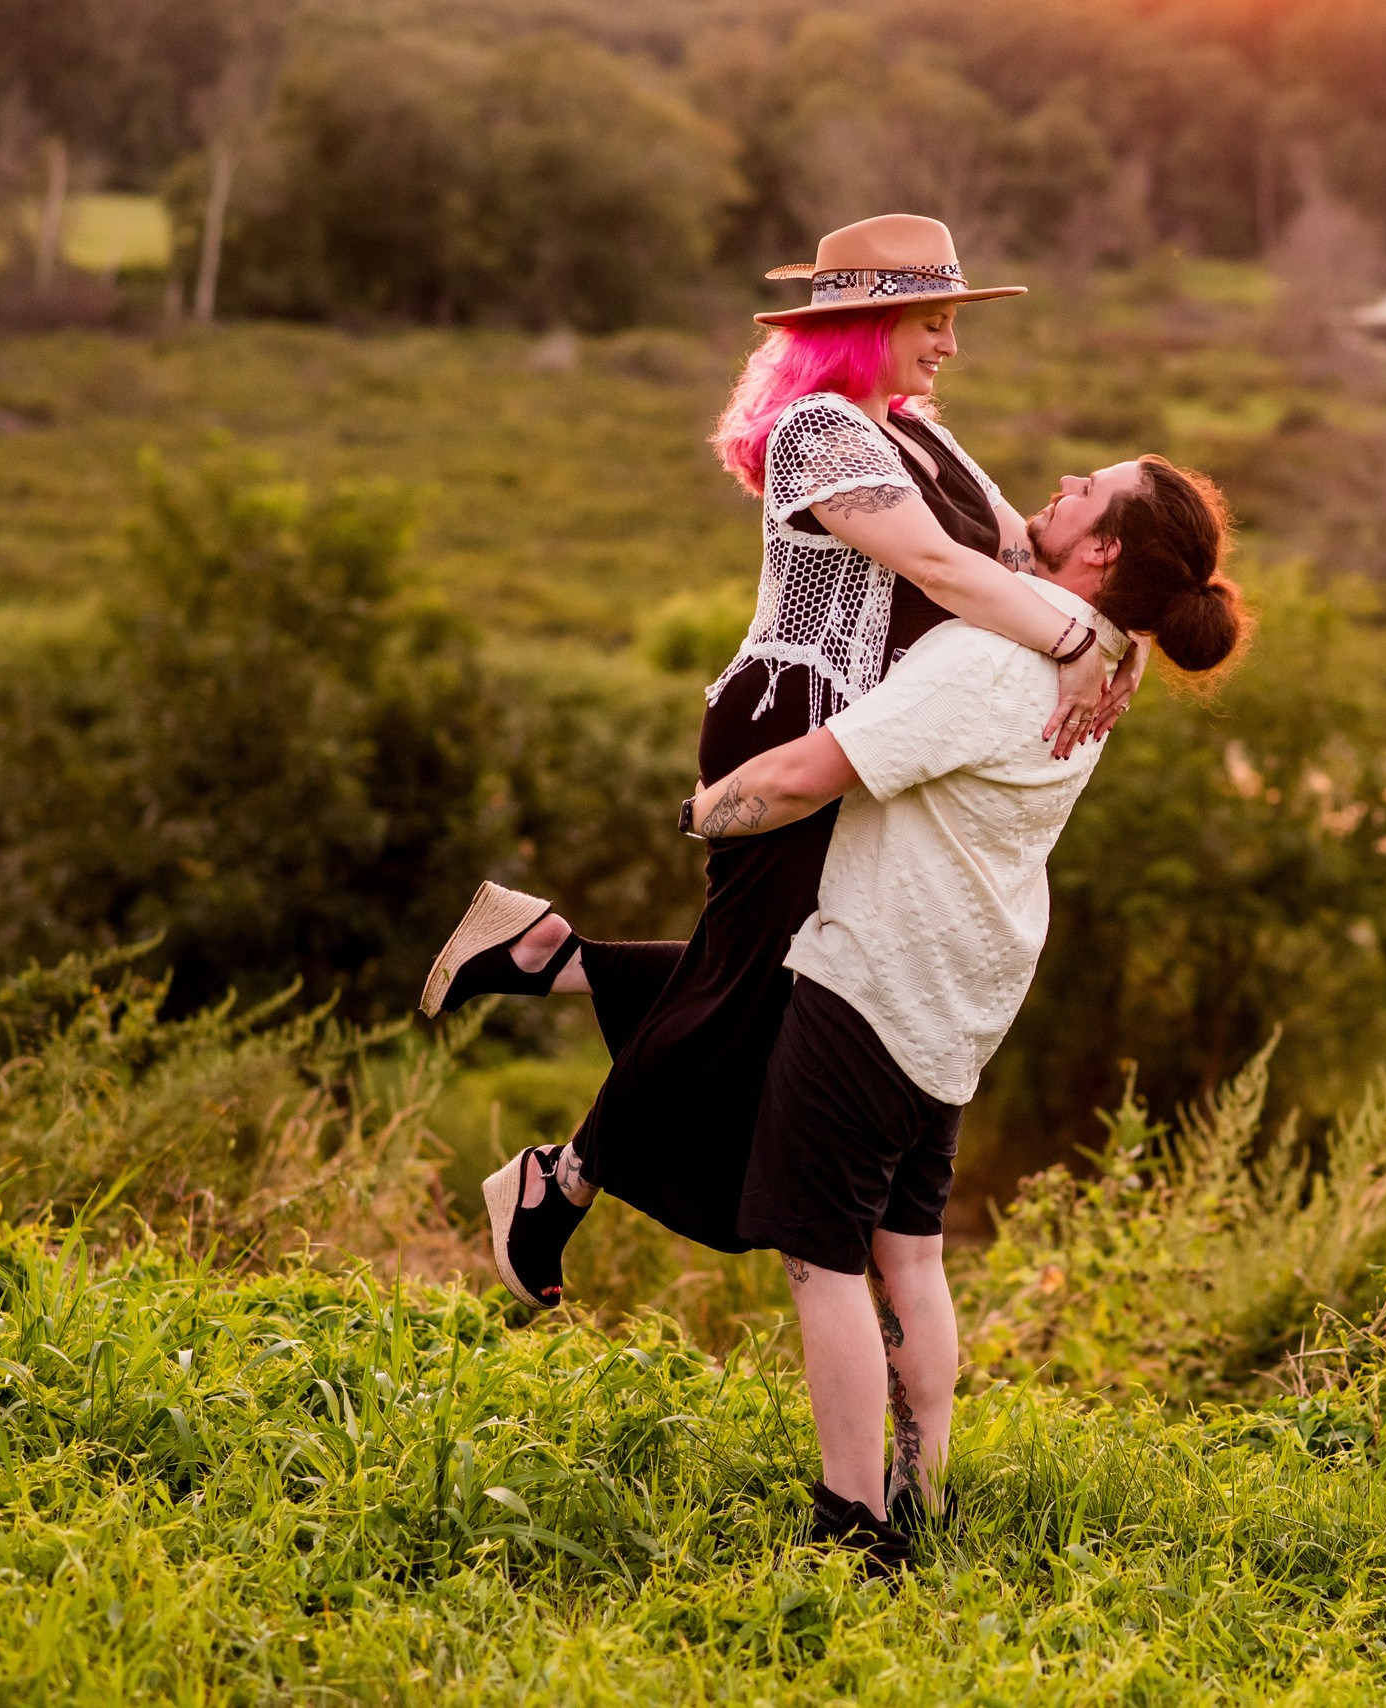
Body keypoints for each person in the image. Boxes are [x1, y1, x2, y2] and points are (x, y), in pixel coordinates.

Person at [416, 215, 1147, 1309]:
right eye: (933, 323)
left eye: (950, 322)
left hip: (875, 744)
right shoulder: (818, 433)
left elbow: (1015, 554)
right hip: (787, 718)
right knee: (747, 990)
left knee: (772, 985)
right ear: (870, 324)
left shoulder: (922, 435)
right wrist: (1075, 641)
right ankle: (556, 1182)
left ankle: (543, 956)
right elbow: (940, 567)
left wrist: (1129, 638)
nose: (948, 345)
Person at [677, 452, 1246, 1570]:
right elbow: (963, 510)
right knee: (910, 1250)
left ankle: (854, 1524)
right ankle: (920, 1497)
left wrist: (699, 812)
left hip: (877, 975)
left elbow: (805, 776)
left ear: (1105, 549)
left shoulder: (997, 655)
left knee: (821, 1253)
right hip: (959, 991)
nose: (1065, 477)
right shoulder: (1097, 650)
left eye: (1090, 485)